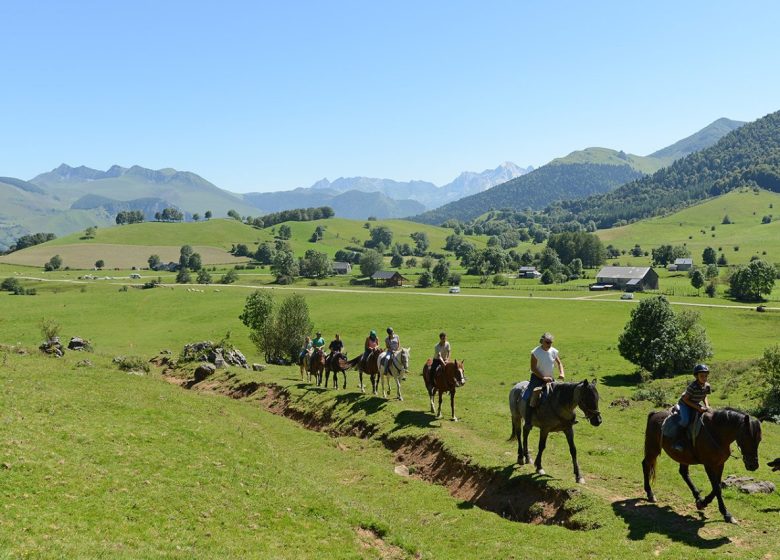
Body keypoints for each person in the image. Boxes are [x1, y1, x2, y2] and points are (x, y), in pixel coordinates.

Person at [523, 333, 565, 422]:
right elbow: (533, 368)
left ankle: (562, 418)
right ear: (542, 341)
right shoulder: (535, 352)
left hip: (550, 378)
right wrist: (543, 377)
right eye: (547, 342)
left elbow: (559, 363)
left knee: (559, 395)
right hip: (537, 378)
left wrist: (562, 373)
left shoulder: (553, 351)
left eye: (551, 343)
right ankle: (528, 420)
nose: (549, 345)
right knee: (531, 396)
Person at [673, 364, 712, 452]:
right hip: (685, 404)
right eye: (701, 376)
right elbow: (685, 399)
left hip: (695, 403)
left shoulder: (707, 386)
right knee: (685, 420)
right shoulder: (692, 386)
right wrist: (698, 408)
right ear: (696, 376)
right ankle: (678, 440)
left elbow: (704, 395)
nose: (704, 378)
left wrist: (707, 405)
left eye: (706, 376)